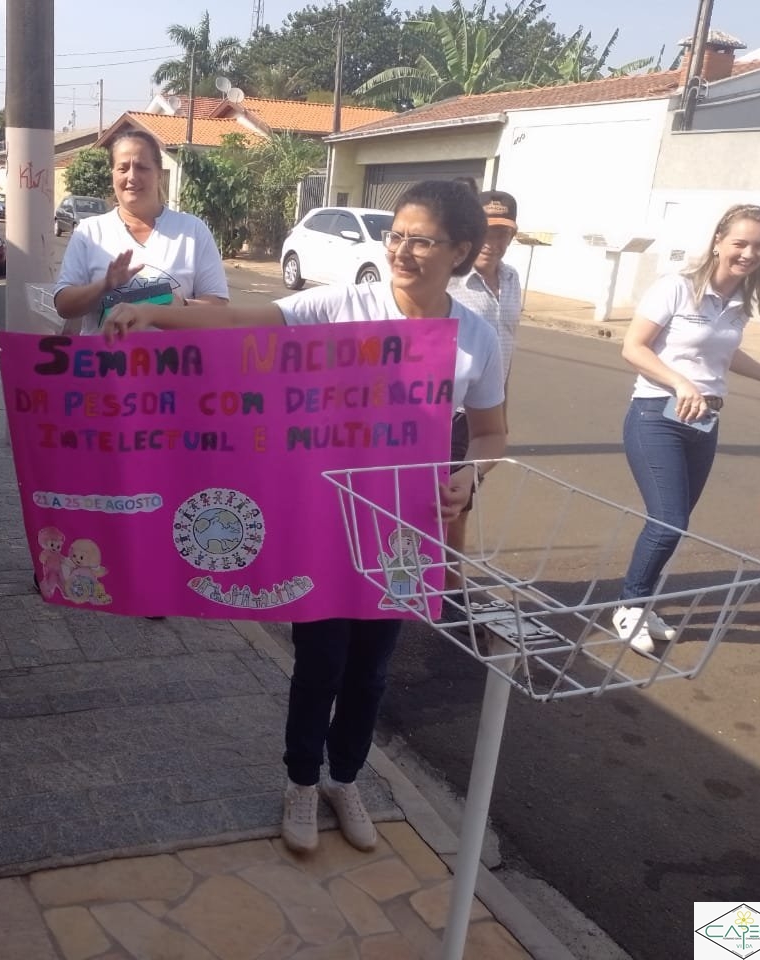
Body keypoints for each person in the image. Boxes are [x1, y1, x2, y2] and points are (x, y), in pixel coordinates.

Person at [101, 181, 507, 855]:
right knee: (320, 663)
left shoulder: (476, 338)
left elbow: (492, 433)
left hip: (402, 530)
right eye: (396, 235)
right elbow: (244, 320)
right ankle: (300, 782)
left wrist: (472, 472)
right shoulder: (345, 304)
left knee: (372, 671)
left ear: (460, 250)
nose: (401, 251)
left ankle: (345, 781)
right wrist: (155, 316)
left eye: (421, 240)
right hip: (324, 519)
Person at [615, 204, 760, 655]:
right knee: (668, 521)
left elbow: (723, 353)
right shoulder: (676, 287)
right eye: (740, 243)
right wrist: (679, 382)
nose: (749, 253)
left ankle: (642, 601)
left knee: (674, 524)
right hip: (656, 415)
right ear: (718, 241)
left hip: (704, 422)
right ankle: (629, 606)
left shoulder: (739, 302)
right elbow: (633, 347)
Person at [53, 129, 230, 332]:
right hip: (104, 353)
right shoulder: (89, 232)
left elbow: (218, 309)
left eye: (142, 167)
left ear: (158, 173)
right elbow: (63, 305)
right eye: (122, 168)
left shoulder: (192, 231)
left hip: (172, 353)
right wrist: (104, 286)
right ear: (112, 174)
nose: (132, 177)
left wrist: (181, 305)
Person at [446, 190, 523, 586]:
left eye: (502, 233)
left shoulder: (511, 279)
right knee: (452, 505)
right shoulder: (451, 279)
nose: (493, 242)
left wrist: (501, 412)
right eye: (487, 232)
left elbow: (507, 346)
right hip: (449, 409)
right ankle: (448, 587)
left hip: (484, 410)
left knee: (462, 500)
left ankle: (445, 585)